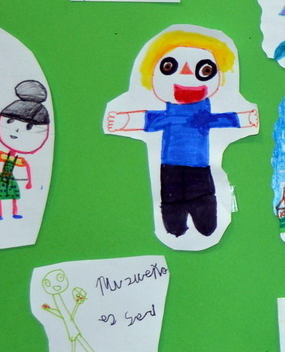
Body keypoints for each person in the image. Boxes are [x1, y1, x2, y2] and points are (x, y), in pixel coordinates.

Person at [105, 30, 260, 237]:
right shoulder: (169, 115)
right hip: (171, 167)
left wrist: (245, 120)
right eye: (169, 67)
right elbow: (149, 120)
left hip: (199, 167)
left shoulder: (203, 115)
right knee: (173, 206)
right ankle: (176, 227)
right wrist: (123, 121)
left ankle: (202, 224)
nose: (186, 73)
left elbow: (222, 119)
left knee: (203, 207)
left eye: (205, 70)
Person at [0, 80, 51, 221]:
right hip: (2, 177)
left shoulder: (20, 160)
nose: (17, 130)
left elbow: (27, 167)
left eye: (29, 127)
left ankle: (14, 212)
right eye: (10, 121)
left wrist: (29, 182)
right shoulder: (2, 156)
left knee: (13, 195)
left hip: (10, 178)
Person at [37, 269, 109, 352]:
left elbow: (66, 315)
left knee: (77, 350)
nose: (55, 286)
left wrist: (75, 304)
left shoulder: (59, 298)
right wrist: (50, 310)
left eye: (60, 278)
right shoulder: (57, 298)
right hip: (71, 330)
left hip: (72, 328)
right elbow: (65, 314)